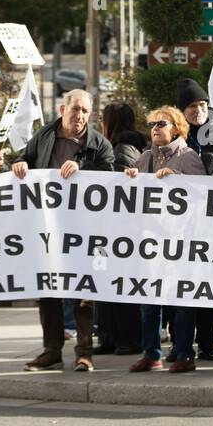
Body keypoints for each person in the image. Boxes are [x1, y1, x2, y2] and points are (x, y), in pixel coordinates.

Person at [0, 90, 114, 373]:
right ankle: (52, 351)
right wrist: (19, 163)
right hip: (46, 229)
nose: (80, 116)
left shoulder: (99, 144)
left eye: (85, 111)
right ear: (62, 109)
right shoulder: (45, 136)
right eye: (76, 109)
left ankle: (84, 353)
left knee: (82, 293)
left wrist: (83, 167)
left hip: (84, 232)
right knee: (48, 291)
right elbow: (26, 159)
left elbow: (110, 176)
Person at [124, 106, 207, 372]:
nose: (156, 128)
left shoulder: (188, 157)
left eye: (162, 123)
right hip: (151, 241)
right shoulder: (146, 157)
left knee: (181, 302)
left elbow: (205, 197)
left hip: (181, 242)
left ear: (177, 128)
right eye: (152, 124)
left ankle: (184, 354)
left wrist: (179, 182)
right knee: (149, 302)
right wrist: (129, 179)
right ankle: (152, 354)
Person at [175, 79, 213, 362]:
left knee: (208, 288)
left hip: (211, 225)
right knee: (179, 289)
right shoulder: (174, 137)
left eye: (203, 105)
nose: (199, 110)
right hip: (179, 227)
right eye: (193, 106)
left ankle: (207, 343)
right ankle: (180, 344)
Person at [94, 102, 148, 356]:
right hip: (116, 231)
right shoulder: (127, 147)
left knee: (115, 284)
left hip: (116, 231)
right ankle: (111, 337)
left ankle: (124, 338)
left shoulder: (121, 150)